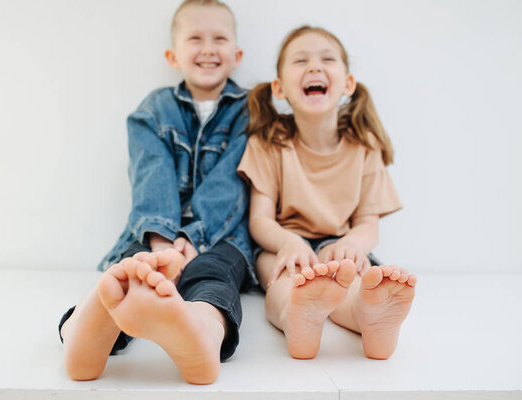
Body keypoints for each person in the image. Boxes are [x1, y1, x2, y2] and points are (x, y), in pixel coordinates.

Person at [58, 0, 255, 385]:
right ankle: (85, 326)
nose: (209, 48)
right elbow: (152, 172)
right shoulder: (155, 109)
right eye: (195, 38)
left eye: (219, 38)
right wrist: (163, 244)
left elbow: (234, 179)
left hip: (220, 236)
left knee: (214, 276)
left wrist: (193, 238)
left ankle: (202, 330)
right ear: (173, 55)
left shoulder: (251, 111)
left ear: (237, 55)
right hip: (154, 232)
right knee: (130, 271)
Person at [237, 25, 417, 360]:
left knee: (356, 280)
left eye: (328, 59)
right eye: (300, 60)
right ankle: (295, 315)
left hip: (340, 246)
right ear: (279, 89)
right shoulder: (269, 142)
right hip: (285, 246)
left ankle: (368, 318)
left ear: (348, 84)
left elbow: (368, 224)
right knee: (281, 278)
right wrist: (290, 243)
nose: (315, 67)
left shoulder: (364, 146)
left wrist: (349, 245)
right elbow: (260, 220)